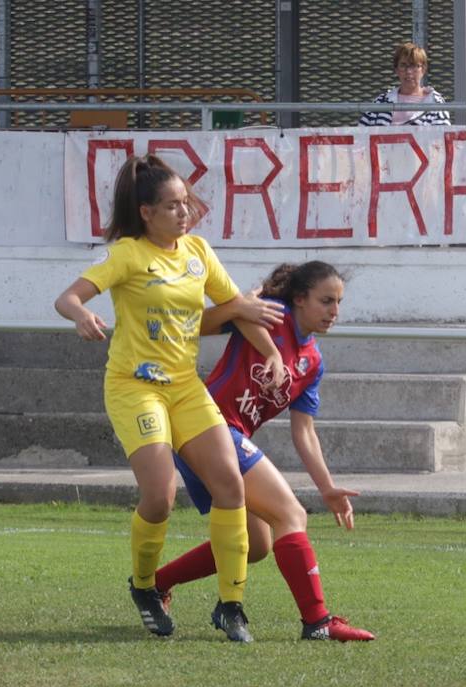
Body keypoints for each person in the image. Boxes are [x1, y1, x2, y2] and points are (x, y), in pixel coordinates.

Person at [53, 154, 288, 643]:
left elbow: (236, 308)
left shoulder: (198, 251)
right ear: (146, 213)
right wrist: (80, 316)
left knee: (230, 486)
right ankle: (144, 586)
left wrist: (272, 355)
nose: (185, 213)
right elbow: (68, 298)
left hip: (185, 386)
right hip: (134, 387)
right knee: (159, 498)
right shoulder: (126, 255)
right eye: (172, 206)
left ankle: (232, 606)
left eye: (186, 203)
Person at [153, 261, 374, 643]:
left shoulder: (313, 362)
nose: (334, 311)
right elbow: (195, 325)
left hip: (217, 438)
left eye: (339, 302)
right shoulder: (272, 317)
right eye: (326, 301)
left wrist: (327, 488)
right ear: (299, 299)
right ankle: (317, 621)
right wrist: (239, 306)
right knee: (290, 514)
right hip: (207, 425)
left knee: (256, 545)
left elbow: (303, 431)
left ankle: (155, 585)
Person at [358, 41, 450, 127]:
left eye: (414, 65)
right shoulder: (381, 102)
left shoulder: (435, 102)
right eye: (403, 65)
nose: (408, 71)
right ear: (396, 70)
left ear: (423, 69)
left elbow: (442, 139)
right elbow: (361, 136)